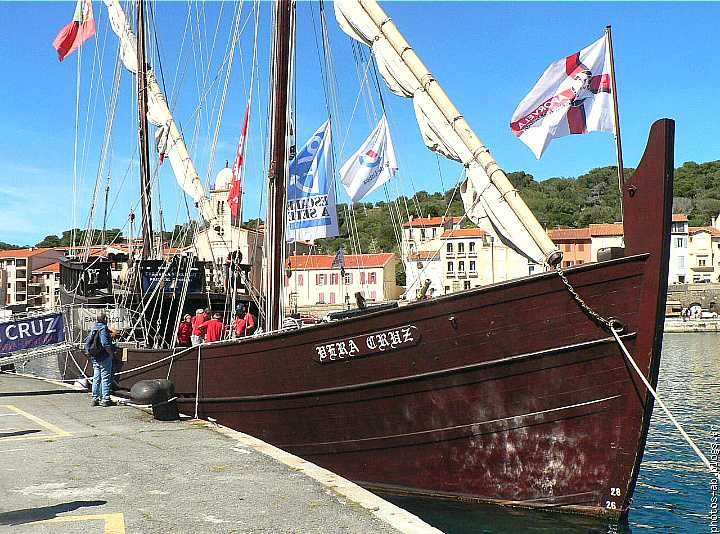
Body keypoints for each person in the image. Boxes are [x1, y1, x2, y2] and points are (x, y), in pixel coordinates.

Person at [84, 313, 115, 407]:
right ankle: (105, 399)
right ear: (105, 319)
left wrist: (88, 352)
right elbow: (105, 343)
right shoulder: (103, 328)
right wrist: (111, 354)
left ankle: (95, 399)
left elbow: (87, 341)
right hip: (104, 356)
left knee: (96, 378)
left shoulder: (94, 328)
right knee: (105, 378)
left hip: (95, 357)